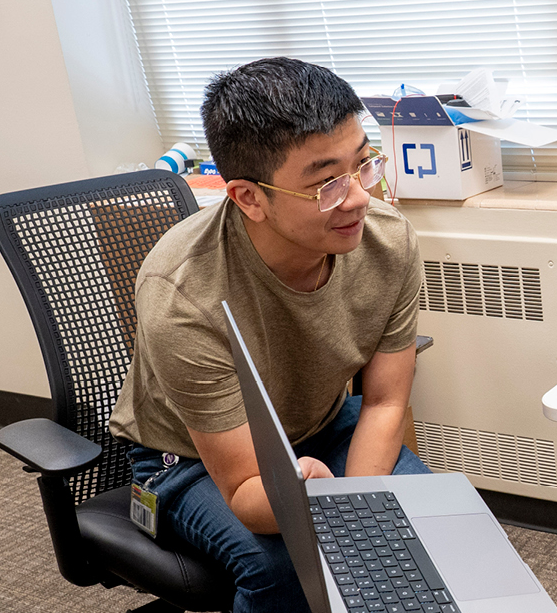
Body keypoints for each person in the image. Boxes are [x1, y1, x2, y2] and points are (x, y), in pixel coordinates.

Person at [109, 56, 429, 612]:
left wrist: (352, 505)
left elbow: (383, 401)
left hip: (320, 424)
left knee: (420, 518)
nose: (356, 197)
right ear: (249, 197)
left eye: (363, 165)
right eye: (326, 184)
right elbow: (242, 489)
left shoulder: (388, 240)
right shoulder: (183, 292)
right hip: (184, 459)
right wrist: (312, 502)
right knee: (284, 568)